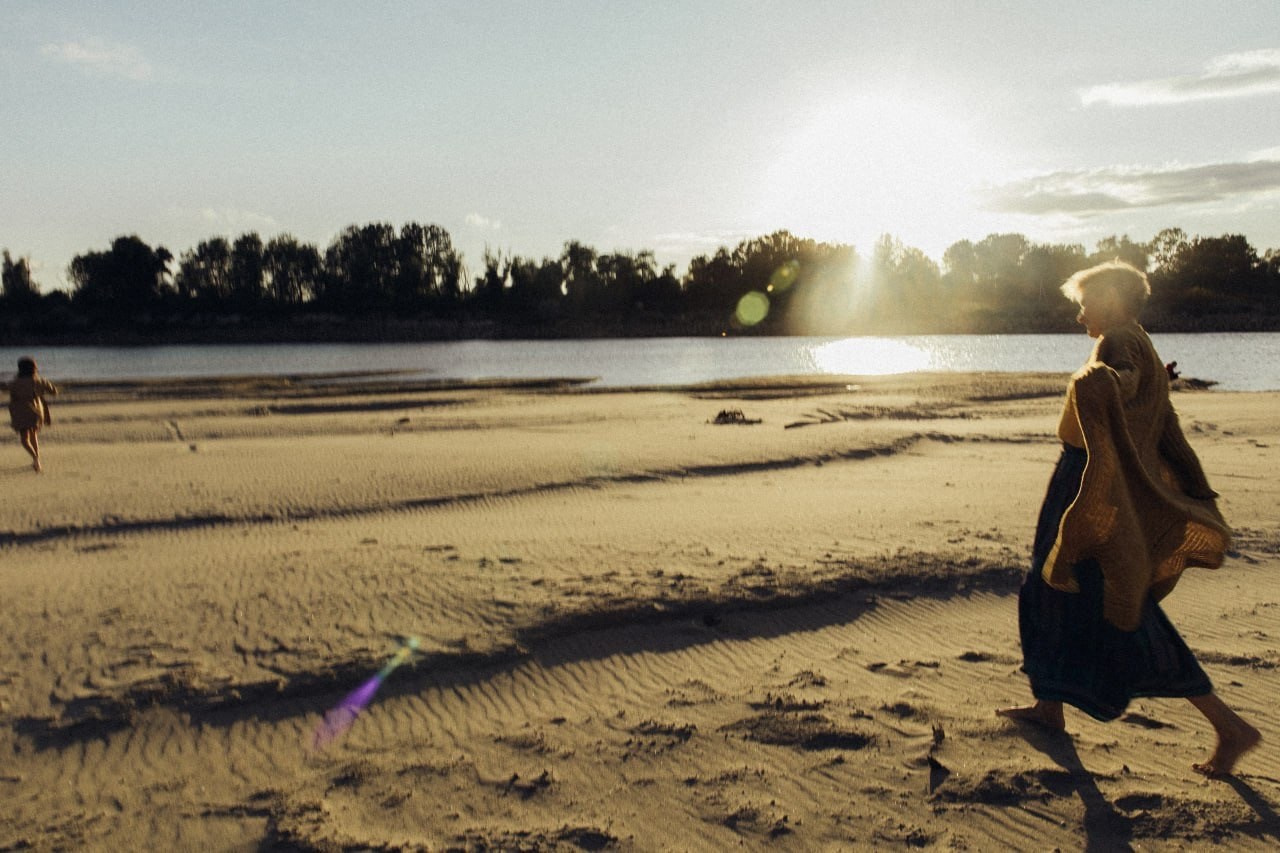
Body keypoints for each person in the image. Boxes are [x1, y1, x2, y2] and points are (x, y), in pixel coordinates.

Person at [996, 261, 1261, 778]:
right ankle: (1050, 705)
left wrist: (1113, 382)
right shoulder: (1132, 337)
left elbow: (1126, 378)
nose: (1079, 314)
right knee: (1057, 589)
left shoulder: (1120, 343)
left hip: (1088, 483)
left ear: (1113, 300)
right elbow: (1143, 391)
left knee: (1104, 599)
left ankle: (1228, 725)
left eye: (1086, 302)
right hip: (1081, 476)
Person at [6, 356, 58, 473]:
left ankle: (35, 459)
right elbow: (54, 392)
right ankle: (37, 460)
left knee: (25, 439)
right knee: (34, 435)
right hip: (37, 411)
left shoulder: (14, 383)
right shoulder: (39, 381)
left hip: (21, 412)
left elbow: (9, 390)